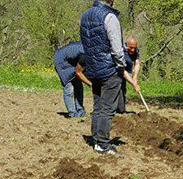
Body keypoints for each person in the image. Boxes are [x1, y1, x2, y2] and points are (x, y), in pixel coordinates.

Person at [80, 0, 126, 155]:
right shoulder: (110, 17)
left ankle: (96, 140)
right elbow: (117, 49)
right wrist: (121, 66)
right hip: (109, 70)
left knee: (98, 107)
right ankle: (104, 145)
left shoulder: (85, 15)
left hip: (93, 69)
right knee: (107, 109)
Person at [53, 41, 91, 118]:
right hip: (61, 61)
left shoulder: (88, 51)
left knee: (78, 87)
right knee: (68, 87)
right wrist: (90, 84)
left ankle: (80, 111)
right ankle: (72, 113)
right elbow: (78, 73)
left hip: (72, 62)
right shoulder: (85, 54)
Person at [117, 35, 141, 114]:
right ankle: (115, 111)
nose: (133, 50)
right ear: (126, 45)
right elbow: (123, 71)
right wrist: (133, 84)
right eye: (131, 47)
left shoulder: (135, 51)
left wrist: (135, 79)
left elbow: (137, 64)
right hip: (115, 72)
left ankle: (121, 110)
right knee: (117, 89)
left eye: (134, 47)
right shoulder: (121, 51)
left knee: (123, 89)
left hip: (124, 73)